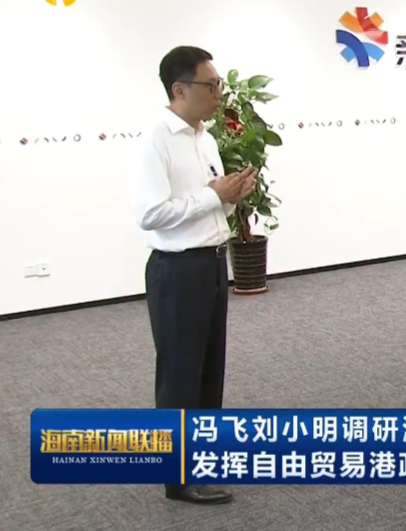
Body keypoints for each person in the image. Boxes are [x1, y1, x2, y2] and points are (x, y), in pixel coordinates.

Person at [131, 46, 256, 505]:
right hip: (177, 271)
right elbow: (150, 214)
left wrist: (231, 195)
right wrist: (212, 196)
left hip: (212, 264)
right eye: (211, 85)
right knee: (180, 375)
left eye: (219, 84)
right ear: (179, 89)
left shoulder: (205, 138)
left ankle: (203, 460)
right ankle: (177, 478)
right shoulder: (155, 140)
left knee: (208, 372)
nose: (219, 94)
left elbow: (210, 201)